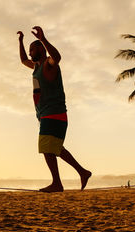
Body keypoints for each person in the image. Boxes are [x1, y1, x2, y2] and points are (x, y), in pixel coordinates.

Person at [17, 26, 92, 192]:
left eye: (32, 49)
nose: (30, 53)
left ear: (41, 50)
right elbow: (23, 60)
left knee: (46, 148)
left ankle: (57, 183)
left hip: (54, 112)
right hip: (46, 114)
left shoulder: (48, 64)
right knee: (56, 148)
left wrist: (43, 39)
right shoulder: (36, 67)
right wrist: (21, 42)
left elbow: (57, 57)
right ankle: (83, 172)